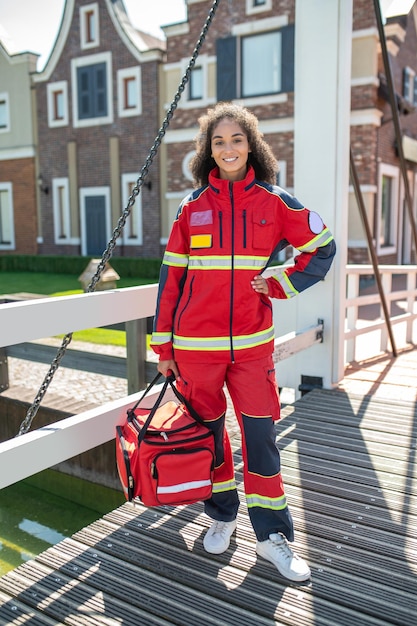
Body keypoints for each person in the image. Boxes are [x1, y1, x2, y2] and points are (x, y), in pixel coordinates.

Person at [151, 102, 336, 582]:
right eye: (218, 141)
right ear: (207, 151)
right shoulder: (191, 209)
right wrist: (164, 348)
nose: (228, 148)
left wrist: (279, 284)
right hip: (196, 351)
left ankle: (272, 536)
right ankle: (222, 515)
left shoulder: (276, 202)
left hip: (253, 348)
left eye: (236, 139)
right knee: (211, 437)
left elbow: (322, 248)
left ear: (250, 144)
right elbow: (170, 281)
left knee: (261, 441)